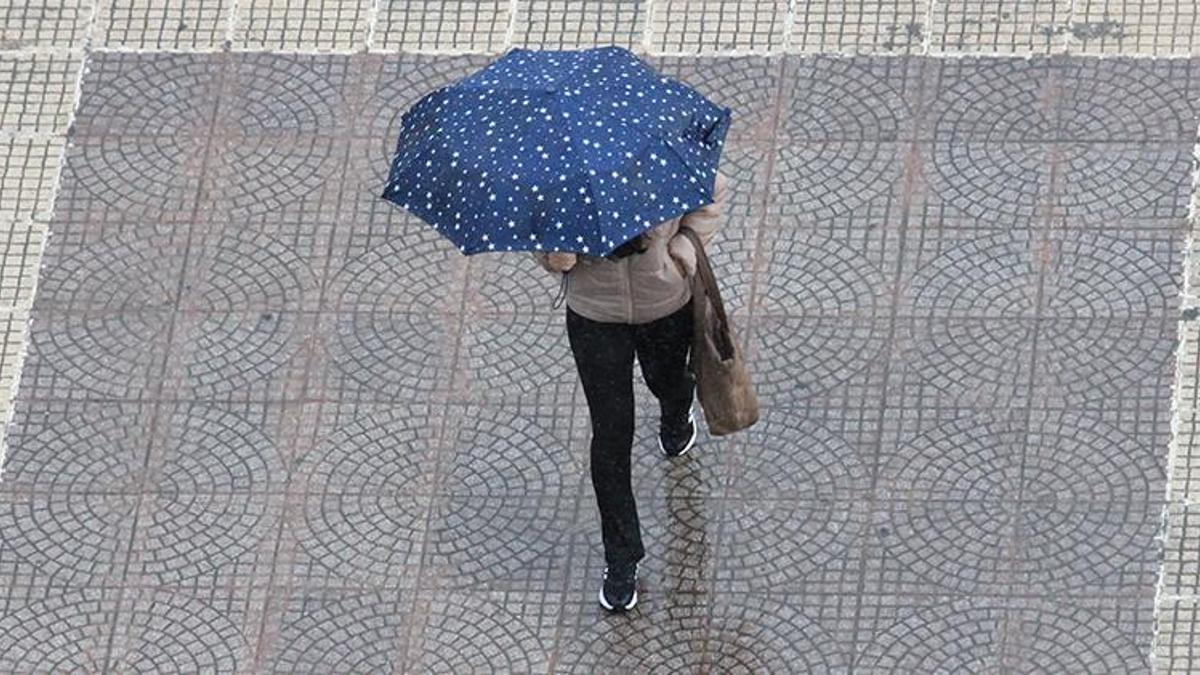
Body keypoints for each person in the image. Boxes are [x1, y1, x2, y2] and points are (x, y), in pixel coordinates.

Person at [530, 171, 729, 612]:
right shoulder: (558, 180)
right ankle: (621, 559)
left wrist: (680, 255)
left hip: (664, 305)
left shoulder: (653, 158)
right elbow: (544, 249)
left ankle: (677, 414)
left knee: (668, 381)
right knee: (611, 434)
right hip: (594, 317)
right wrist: (557, 254)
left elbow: (711, 191)